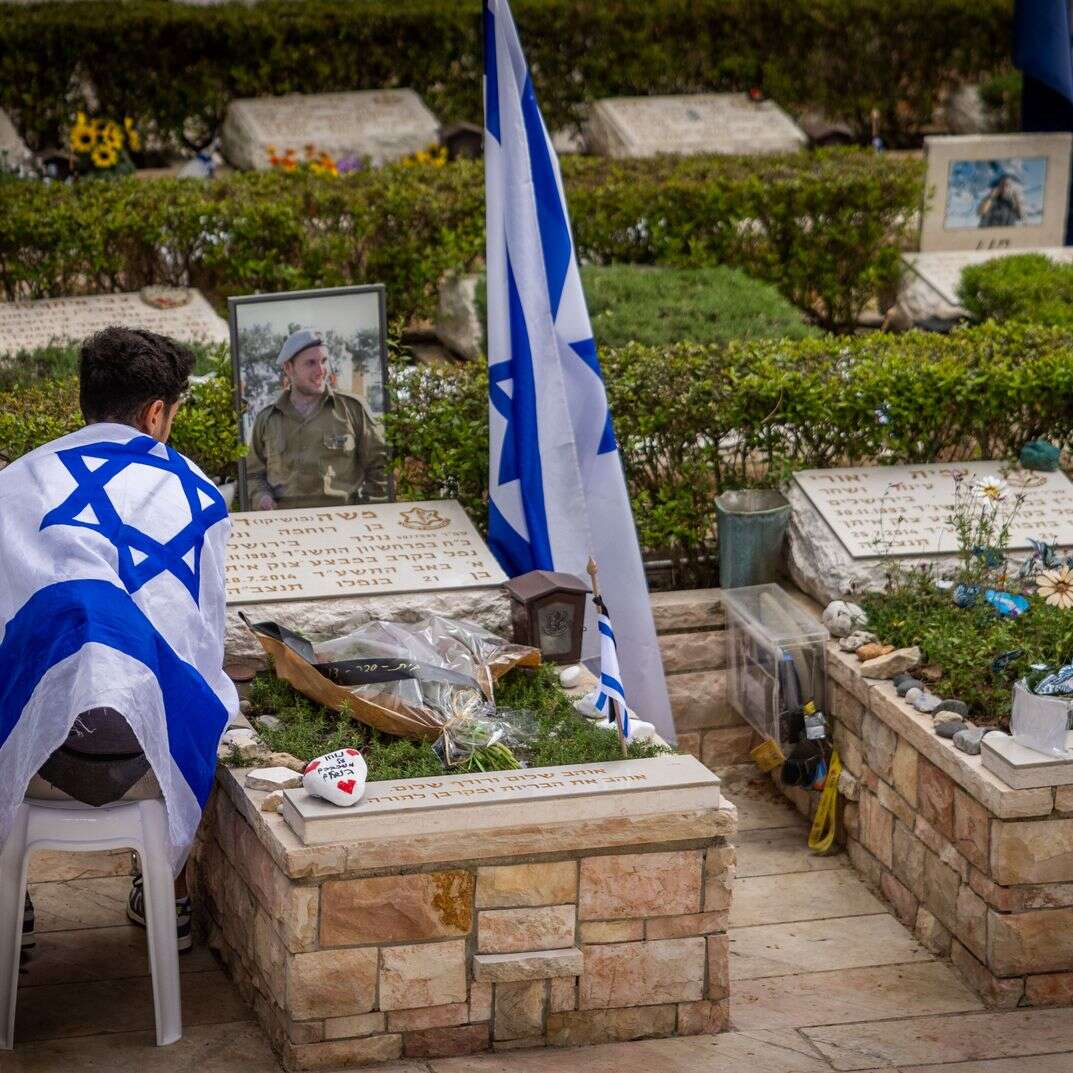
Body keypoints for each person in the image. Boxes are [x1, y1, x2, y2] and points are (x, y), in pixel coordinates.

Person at [0, 327, 237, 955]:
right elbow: (201, 642)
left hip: (32, 757)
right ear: (157, 412)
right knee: (186, 681)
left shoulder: (14, 485)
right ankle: (171, 894)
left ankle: (10, 905)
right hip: (145, 763)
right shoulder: (200, 495)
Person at [245, 328, 387, 510]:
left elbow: (381, 468)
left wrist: (366, 511)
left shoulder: (353, 409)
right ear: (288, 368)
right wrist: (261, 498)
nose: (321, 370)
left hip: (343, 523)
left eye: (324, 361)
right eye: (310, 363)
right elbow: (253, 474)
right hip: (285, 526)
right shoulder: (267, 419)